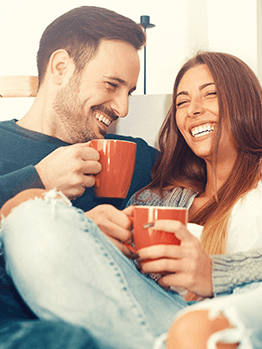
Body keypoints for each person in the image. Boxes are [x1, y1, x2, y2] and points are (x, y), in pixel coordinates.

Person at [1, 51, 262, 349]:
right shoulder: (157, 199)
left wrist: (216, 273)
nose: (193, 110)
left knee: (198, 329)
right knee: (27, 211)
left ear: (246, 100)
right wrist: (93, 233)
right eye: (182, 102)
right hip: (173, 322)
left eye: (211, 94)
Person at [0, 5, 159, 349]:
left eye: (128, 91)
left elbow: (224, 172)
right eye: (112, 85)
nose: (123, 108)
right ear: (60, 67)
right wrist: (38, 179)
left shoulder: (132, 155)